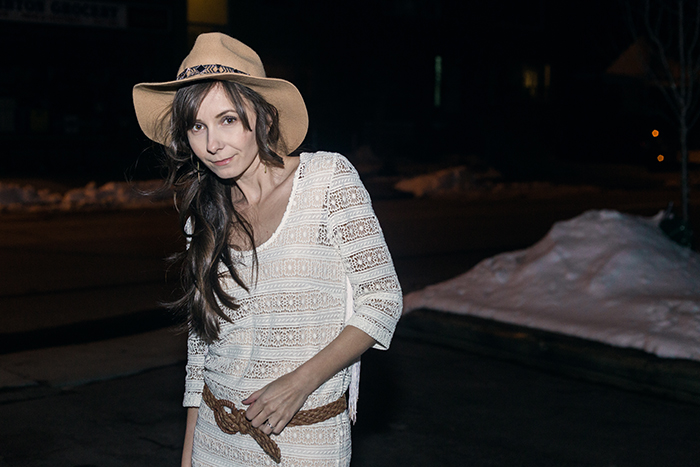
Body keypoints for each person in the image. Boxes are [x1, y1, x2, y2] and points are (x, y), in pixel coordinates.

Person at [132, 33, 402, 466]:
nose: (212, 143)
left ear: (265, 116)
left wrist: (300, 383)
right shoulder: (203, 216)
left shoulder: (327, 180)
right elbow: (203, 347)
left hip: (304, 438)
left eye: (227, 119)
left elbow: (382, 300)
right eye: (197, 126)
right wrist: (188, 456)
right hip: (215, 438)